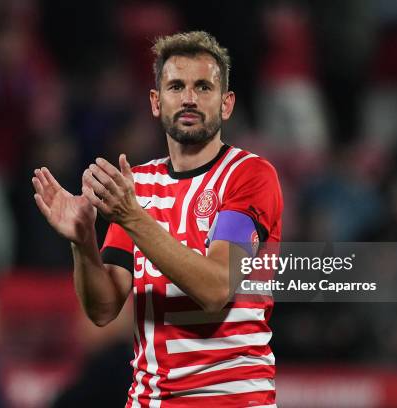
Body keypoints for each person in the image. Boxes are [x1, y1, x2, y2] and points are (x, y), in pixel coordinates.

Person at [32, 31, 283, 408]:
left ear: (226, 103)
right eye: (176, 86)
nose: (188, 98)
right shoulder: (138, 185)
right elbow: (103, 309)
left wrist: (133, 217)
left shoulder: (248, 176)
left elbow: (217, 288)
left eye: (203, 87)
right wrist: (83, 241)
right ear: (155, 101)